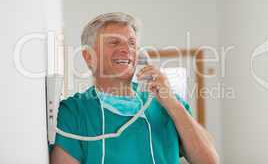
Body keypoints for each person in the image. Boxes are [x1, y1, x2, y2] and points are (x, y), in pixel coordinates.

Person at [50, 12, 219, 164]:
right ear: (88, 56)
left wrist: (172, 103)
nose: (126, 49)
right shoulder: (74, 112)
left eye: (132, 43)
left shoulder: (166, 103)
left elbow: (209, 161)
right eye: (114, 42)